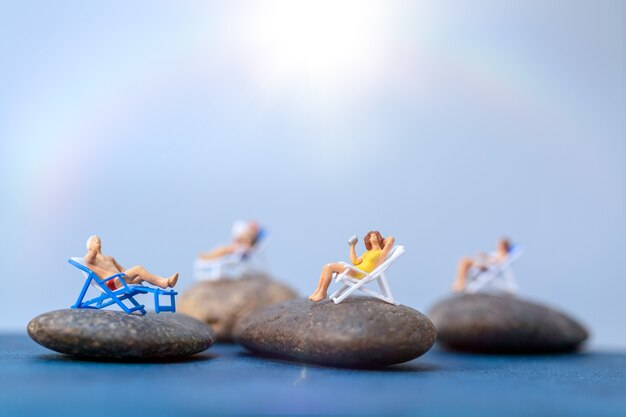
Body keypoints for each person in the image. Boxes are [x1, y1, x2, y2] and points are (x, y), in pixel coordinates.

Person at [308, 231, 395, 302]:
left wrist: (382, 240)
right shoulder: (367, 253)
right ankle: (318, 290)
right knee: (326, 267)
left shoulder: (381, 253)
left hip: (360, 273)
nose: (373, 237)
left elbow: (391, 240)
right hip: (356, 269)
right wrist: (352, 246)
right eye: (371, 236)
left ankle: (323, 292)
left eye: (375, 235)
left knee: (329, 267)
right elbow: (355, 261)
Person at [84, 235, 179, 290]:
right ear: (89, 246)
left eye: (98, 239)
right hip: (112, 283)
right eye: (94, 240)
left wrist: (132, 274)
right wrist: (92, 251)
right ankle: (163, 283)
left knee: (141, 274)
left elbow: (123, 270)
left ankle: (167, 281)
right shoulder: (90, 258)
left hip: (121, 279)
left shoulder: (109, 258)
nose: (98, 240)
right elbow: (88, 260)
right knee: (138, 268)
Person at [198, 220, 262, 260]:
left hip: (238, 251)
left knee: (223, 249)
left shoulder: (251, 236)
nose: (248, 225)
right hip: (236, 249)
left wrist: (239, 243)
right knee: (221, 247)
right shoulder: (248, 235)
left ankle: (209, 257)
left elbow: (248, 246)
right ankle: (209, 256)